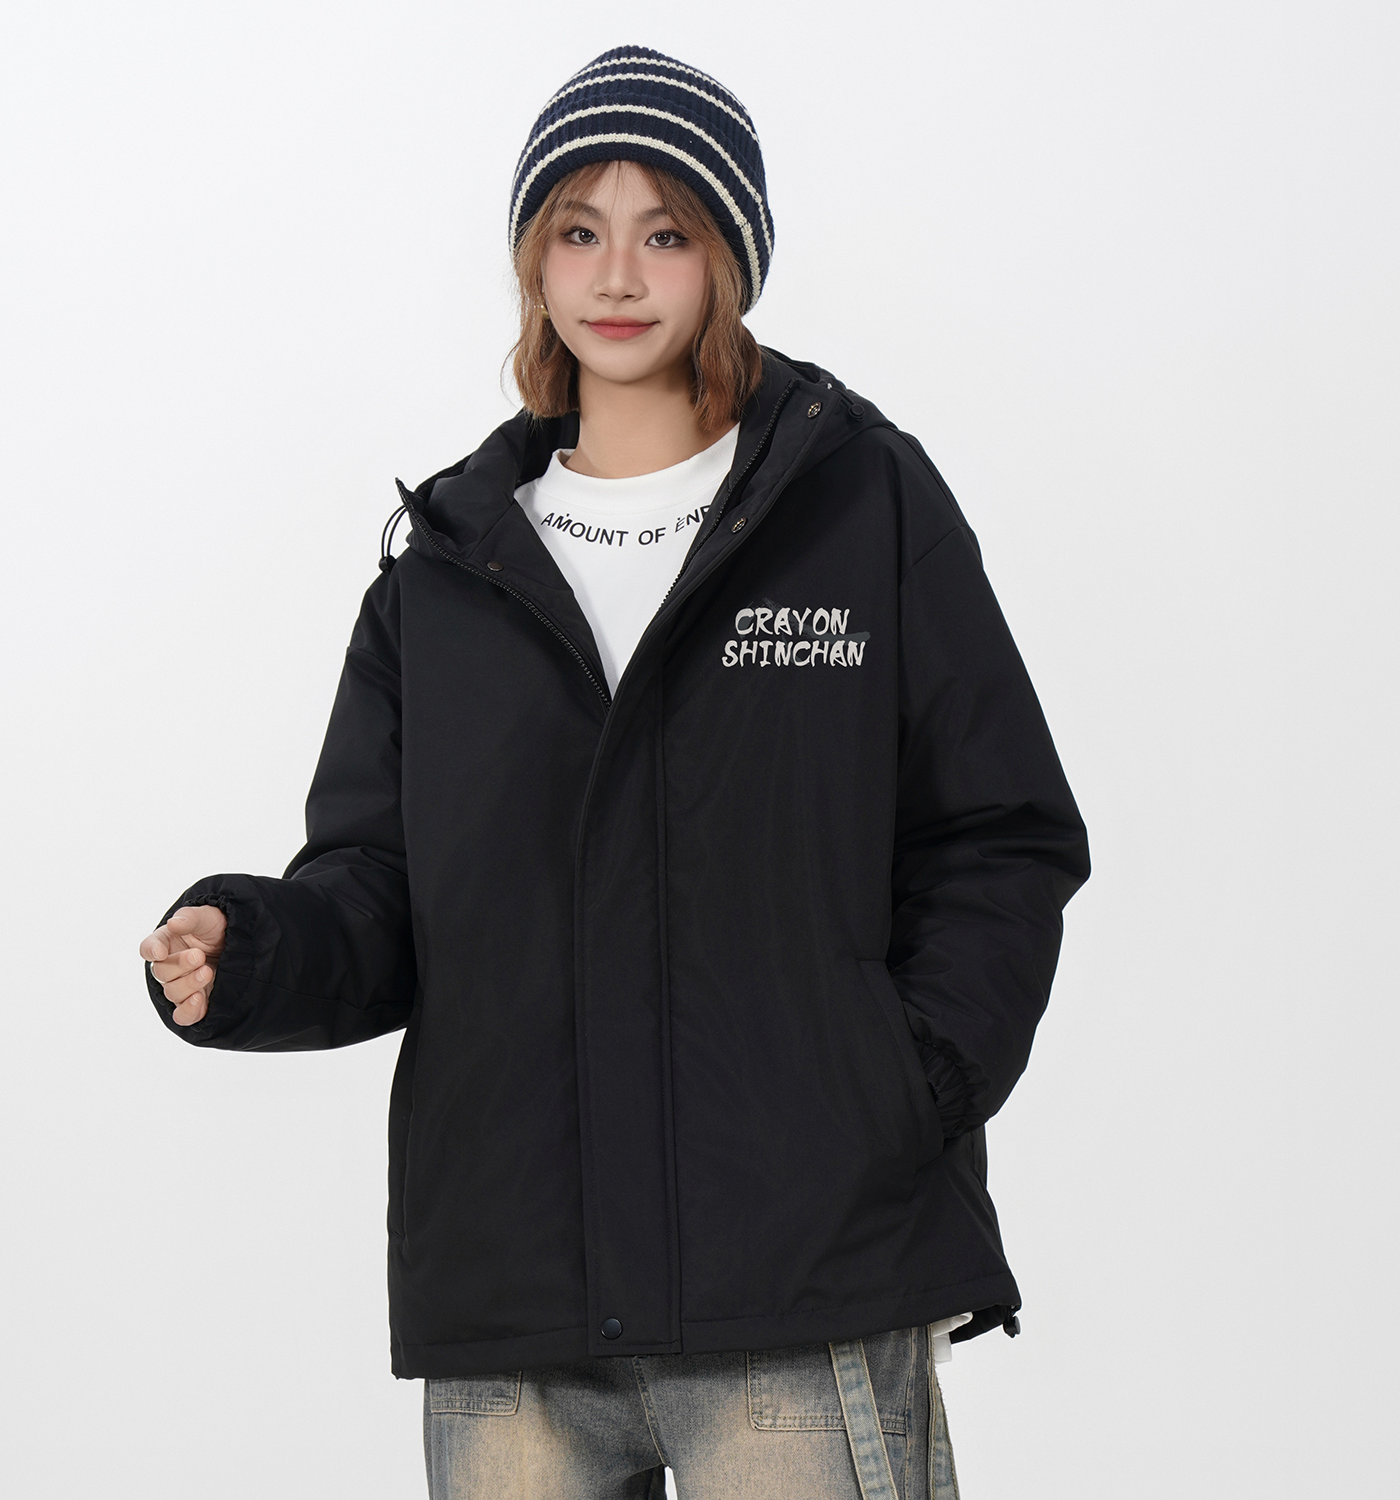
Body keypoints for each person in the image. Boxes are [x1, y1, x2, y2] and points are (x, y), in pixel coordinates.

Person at [140, 44, 1089, 1500]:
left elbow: (998, 829)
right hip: (513, 1307)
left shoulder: (857, 501)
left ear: (728, 260)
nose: (620, 277)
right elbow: (384, 887)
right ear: (534, 260)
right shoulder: (448, 566)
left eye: (667, 233)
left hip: (801, 1276)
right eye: (580, 231)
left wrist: (905, 1088)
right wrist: (253, 948)